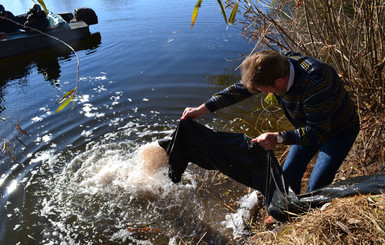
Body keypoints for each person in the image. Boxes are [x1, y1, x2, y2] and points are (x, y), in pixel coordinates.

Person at [181, 50, 360, 222]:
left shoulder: (315, 82)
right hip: (308, 126)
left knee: (316, 188)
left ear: (280, 82)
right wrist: (202, 109)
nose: (266, 93)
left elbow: (318, 133)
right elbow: (240, 90)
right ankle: (287, 214)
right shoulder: (276, 65)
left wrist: (278, 137)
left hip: (339, 131)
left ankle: (309, 220)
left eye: (266, 89)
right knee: (287, 175)